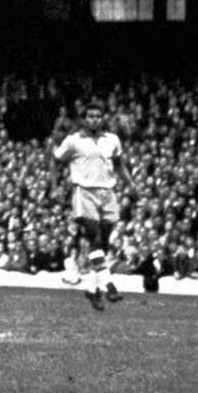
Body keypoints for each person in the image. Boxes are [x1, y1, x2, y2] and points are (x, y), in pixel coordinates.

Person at [53, 100, 134, 311]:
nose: (94, 120)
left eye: (98, 116)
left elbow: (119, 164)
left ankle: (91, 289)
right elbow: (55, 160)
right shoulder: (73, 141)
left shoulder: (112, 140)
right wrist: (54, 186)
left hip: (107, 193)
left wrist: (131, 184)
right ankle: (108, 285)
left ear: (103, 118)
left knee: (102, 245)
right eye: (90, 116)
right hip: (84, 192)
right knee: (94, 237)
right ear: (83, 119)